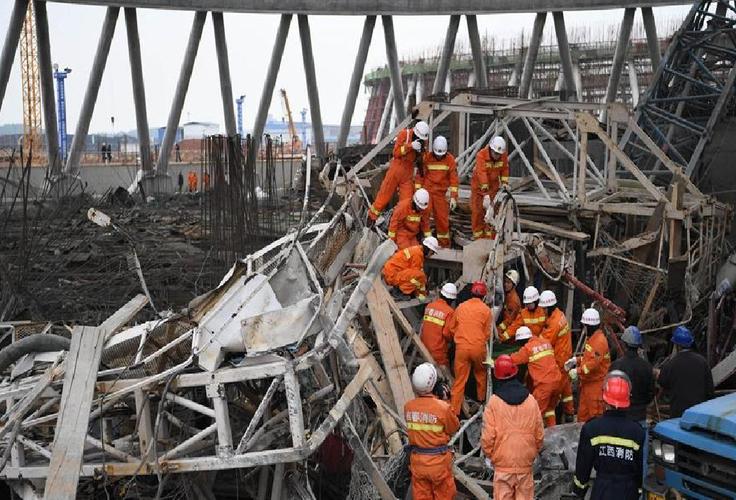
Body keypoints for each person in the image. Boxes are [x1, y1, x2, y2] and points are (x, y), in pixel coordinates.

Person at [573, 371, 645, 500]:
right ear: (627, 401)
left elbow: (583, 467)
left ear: (605, 400)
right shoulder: (637, 432)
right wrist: (638, 490)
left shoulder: (592, 429)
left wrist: (579, 490)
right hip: (628, 491)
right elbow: (640, 468)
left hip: (602, 490)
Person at [481, 355, 544, 500]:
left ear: (497, 377)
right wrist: (533, 453)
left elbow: (488, 436)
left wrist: (490, 455)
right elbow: (539, 434)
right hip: (525, 465)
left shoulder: (494, 403)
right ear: (515, 373)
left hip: (503, 466)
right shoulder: (531, 400)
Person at [405, 363, 459, 500]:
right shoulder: (443, 408)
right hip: (438, 464)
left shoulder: (408, 407)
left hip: (418, 463)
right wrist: (446, 401)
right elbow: (453, 428)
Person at [368, 121, 429, 222]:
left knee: (407, 201)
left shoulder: (423, 141)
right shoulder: (404, 134)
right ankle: (371, 218)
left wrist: (421, 153)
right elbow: (396, 153)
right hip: (396, 168)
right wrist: (410, 146)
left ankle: (402, 225)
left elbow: (421, 160)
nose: (420, 140)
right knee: (384, 195)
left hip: (408, 172)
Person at [446, 281, 492, 415]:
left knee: (459, 381)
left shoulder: (460, 307)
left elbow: (451, 328)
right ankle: (481, 402)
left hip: (462, 348)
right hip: (478, 348)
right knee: (480, 374)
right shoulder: (486, 310)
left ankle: (454, 411)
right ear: (483, 296)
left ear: (471, 293)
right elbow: (487, 334)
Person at [657, 326, 714, 418]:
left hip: (678, 414)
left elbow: (662, 382)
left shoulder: (671, 364)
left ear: (677, 345)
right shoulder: (702, 362)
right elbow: (710, 390)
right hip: (700, 413)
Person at [510, 326, 562, 427]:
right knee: (549, 409)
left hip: (544, 386)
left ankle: (533, 438)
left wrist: (495, 361)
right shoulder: (545, 342)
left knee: (534, 414)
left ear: (522, 340)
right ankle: (553, 431)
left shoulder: (527, 348)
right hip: (557, 381)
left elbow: (513, 359)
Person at [565, 308, 611, 422]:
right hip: (587, 385)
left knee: (595, 418)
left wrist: (578, 371)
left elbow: (593, 364)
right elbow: (588, 358)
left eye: (585, 326)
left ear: (590, 326)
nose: (584, 329)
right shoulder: (592, 339)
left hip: (596, 386)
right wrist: (577, 360)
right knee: (582, 417)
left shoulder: (599, 341)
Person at [416, 135, 459, 248]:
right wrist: (418, 191)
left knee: (442, 221)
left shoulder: (450, 160)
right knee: (424, 218)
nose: (439, 157)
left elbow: (454, 180)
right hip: (427, 192)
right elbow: (420, 175)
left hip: (440, 194)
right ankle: (427, 243)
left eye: (442, 155)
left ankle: (444, 246)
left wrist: (454, 197)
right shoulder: (427, 158)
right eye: (437, 154)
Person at [539, 290, 575, 420]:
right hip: (565, 358)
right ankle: (570, 413)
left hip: (559, 362)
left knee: (551, 402)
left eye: (544, 309)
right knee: (566, 390)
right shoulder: (560, 315)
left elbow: (545, 341)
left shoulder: (554, 323)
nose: (542, 311)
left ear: (549, 307)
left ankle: (552, 425)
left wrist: (533, 341)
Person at [610, 326, 654, 425]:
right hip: (640, 416)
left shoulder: (617, 365)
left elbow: (610, 391)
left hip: (620, 416)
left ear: (624, 344)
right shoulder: (647, 367)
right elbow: (651, 392)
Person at [471, 136, 509, 239]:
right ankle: (478, 240)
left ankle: (490, 240)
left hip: (493, 190)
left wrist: (505, 182)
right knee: (477, 214)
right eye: (495, 153)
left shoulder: (503, 156)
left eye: (499, 154)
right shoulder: (481, 155)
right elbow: (481, 173)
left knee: (491, 215)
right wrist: (485, 194)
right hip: (478, 190)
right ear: (491, 149)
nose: (497, 156)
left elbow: (504, 169)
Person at [382, 237, 440, 302]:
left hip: (391, 272)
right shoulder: (418, 255)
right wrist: (421, 295)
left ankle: (398, 289)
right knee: (420, 276)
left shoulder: (417, 250)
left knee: (419, 276)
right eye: (432, 253)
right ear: (429, 249)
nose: (431, 255)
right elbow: (417, 276)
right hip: (392, 275)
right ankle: (400, 292)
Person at [420, 283, 457, 369]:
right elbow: (447, 334)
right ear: (451, 300)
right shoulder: (449, 312)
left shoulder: (429, 306)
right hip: (438, 353)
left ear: (441, 294)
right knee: (444, 375)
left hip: (423, 349)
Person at [497, 269, 521, 340]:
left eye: (508, 283)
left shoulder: (513, 300)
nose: (505, 284)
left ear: (514, 285)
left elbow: (509, 320)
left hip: (510, 335)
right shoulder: (508, 295)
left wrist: (499, 329)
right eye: (505, 282)